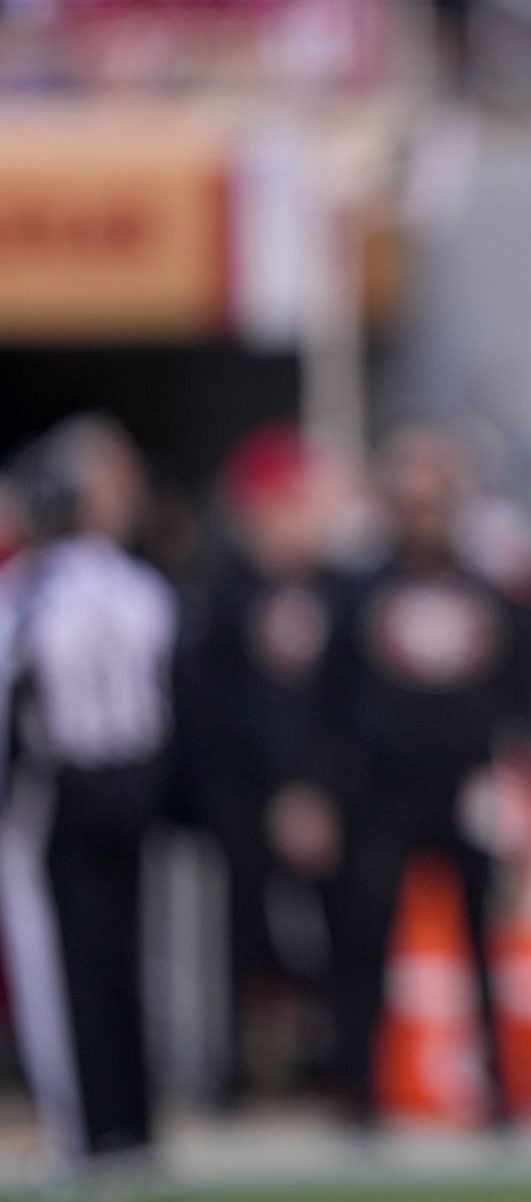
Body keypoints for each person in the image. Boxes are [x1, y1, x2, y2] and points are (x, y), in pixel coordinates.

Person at [313, 427, 531, 1127]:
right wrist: (322, 791)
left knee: (483, 946)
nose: (424, 510)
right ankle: (360, 1094)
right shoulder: (355, 591)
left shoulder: (487, 590)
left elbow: (517, 698)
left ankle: (497, 1092)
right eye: (411, 496)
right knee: (365, 943)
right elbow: (328, 698)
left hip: (466, 789)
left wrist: (525, 786)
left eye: (435, 496)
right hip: (379, 792)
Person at [0, 416, 175, 1170]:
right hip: (126, 786)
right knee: (121, 956)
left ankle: (84, 1127)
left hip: (56, 791)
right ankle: (128, 1123)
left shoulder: (35, 591)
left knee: (61, 962)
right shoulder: (143, 587)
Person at [175, 426, 340, 1100]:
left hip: (328, 801)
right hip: (243, 801)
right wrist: (267, 794)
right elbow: (211, 710)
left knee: (335, 935)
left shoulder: (338, 590)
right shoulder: (221, 596)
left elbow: (347, 704)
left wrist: (320, 790)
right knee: (241, 940)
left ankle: (334, 1065)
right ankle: (242, 1069)